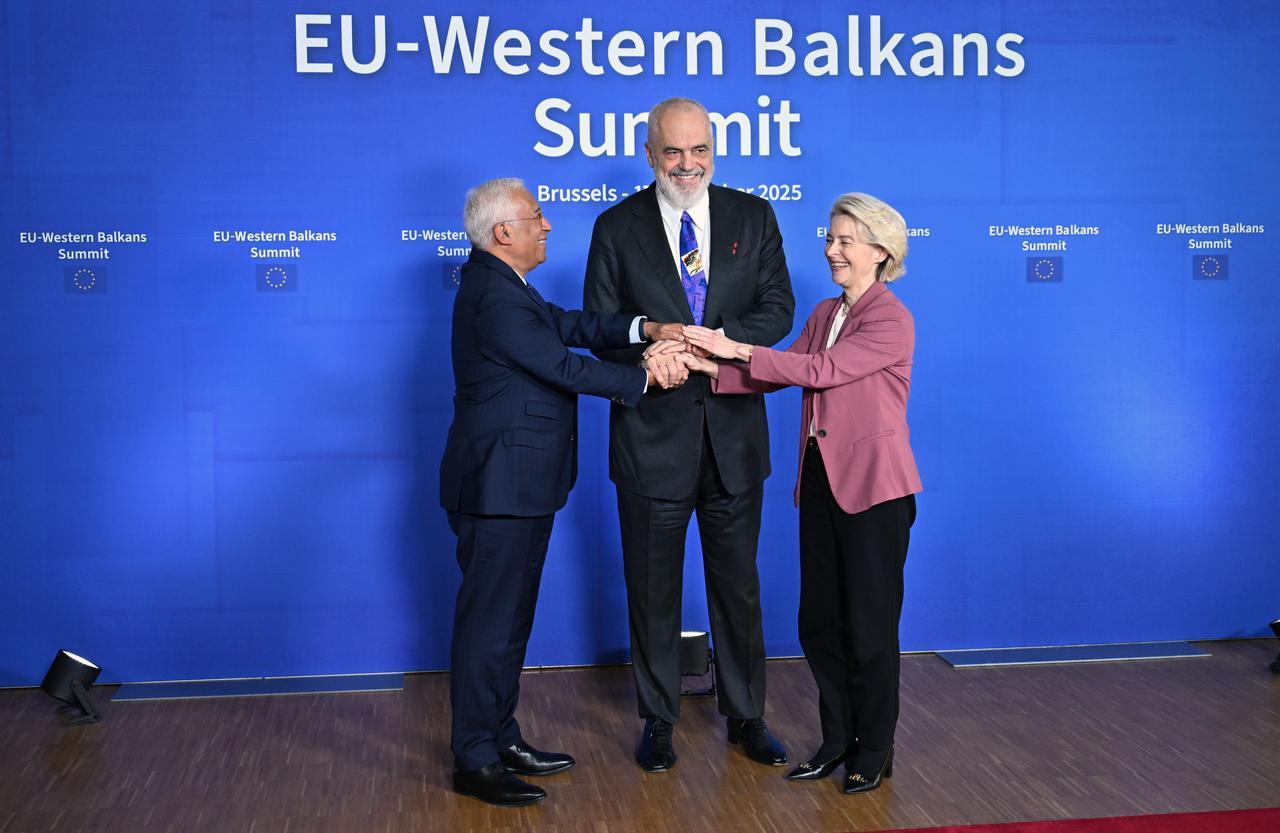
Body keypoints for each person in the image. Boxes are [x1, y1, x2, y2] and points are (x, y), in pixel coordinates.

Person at [440, 177, 683, 807]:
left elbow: (572, 325)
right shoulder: (494, 297)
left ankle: (499, 736)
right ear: (503, 233)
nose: (547, 226)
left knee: (510, 621)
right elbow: (564, 366)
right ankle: (474, 759)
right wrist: (646, 378)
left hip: (522, 486)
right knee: (487, 628)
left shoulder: (509, 288)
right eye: (536, 218)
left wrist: (645, 327)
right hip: (499, 487)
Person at [676, 192, 921, 794]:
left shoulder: (891, 318)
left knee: (869, 624)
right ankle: (837, 739)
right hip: (819, 480)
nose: (830, 250)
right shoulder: (823, 311)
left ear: (880, 252)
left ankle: (876, 746)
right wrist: (711, 366)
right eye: (830, 238)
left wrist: (732, 346)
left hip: (875, 491)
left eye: (844, 241)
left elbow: (821, 372)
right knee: (819, 622)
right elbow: (785, 368)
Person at [583, 97, 795, 772]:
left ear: (714, 150)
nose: (687, 164)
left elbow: (778, 306)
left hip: (734, 438)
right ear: (650, 155)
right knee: (652, 589)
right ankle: (658, 720)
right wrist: (646, 354)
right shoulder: (616, 227)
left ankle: (747, 715)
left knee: (739, 586)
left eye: (698, 149)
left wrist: (728, 347)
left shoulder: (753, 215)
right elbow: (600, 325)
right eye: (672, 152)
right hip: (651, 441)